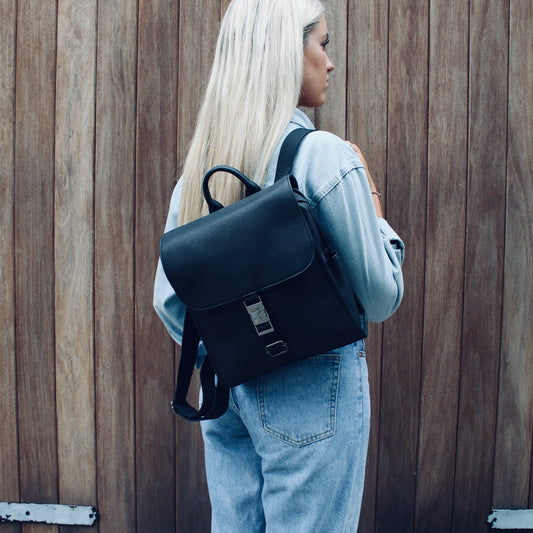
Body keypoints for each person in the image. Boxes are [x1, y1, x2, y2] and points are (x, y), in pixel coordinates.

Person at [153, 0, 405, 530]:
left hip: (226, 396)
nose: (330, 62)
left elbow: (170, 303)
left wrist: (243, 344)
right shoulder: (323, 156)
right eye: (323, 43)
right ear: (286, 53)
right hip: (315, 393)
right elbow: (381, 298)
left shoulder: (201, 165)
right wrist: (376, 212)